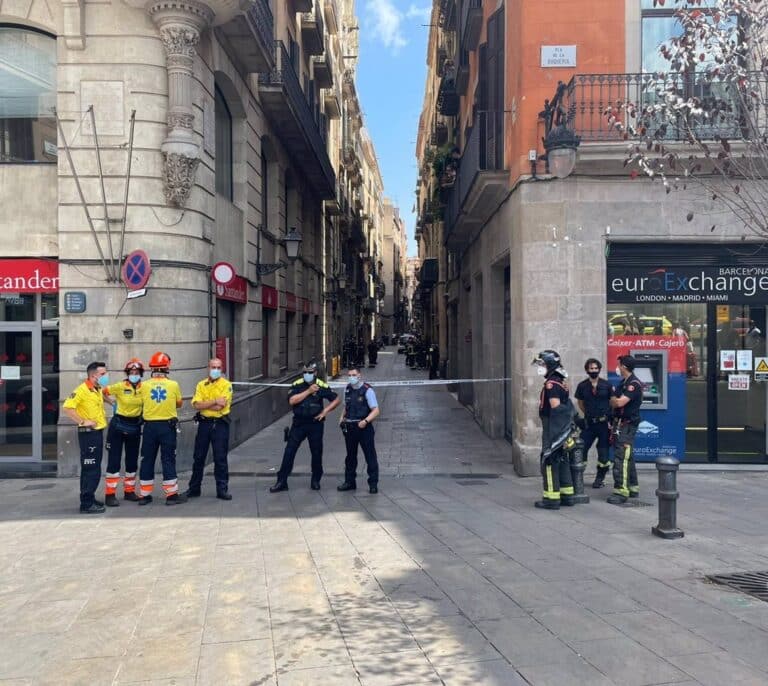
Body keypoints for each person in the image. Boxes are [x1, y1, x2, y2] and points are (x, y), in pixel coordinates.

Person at [270, 361, 340, 492]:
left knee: (317, 452)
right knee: (289, 451)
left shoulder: (321, 385)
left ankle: (315, 480)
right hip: (299, 424)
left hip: (315, 424)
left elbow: (336, 399)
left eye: (310, 372)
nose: (307, 374)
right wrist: (308, 391)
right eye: (305, 372)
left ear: (315, 373)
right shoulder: (297, 385)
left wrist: (325, 411)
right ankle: (282, 481)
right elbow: (292, 400)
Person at [137, 351, 186, 506]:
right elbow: (179, 403)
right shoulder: (173, 385)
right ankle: (171, 496)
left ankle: (145, 495)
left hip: (149, 427)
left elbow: (141, 402)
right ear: (166, 367)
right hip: (167, 427)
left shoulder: (143, 385)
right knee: (168, 459)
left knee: (147, 460)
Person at [62, 361, 110, 514]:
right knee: (91, 468)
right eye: (103, 374)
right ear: (93, 375)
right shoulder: (82, 390)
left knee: (93, 467)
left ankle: (89, 497)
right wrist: (83, 421)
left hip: (96, 432)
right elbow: (68, 407)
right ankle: (87, 504)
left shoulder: (96, 388)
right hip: (88, 434)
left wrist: (110, 401)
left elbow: (100, 397)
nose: (106, 376)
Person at [184, 358, 233, 500]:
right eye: (213, 367)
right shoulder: (201, 384)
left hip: (220, 424)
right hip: (204, 424)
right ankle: (194, 489)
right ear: (208, 368)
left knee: (220, 458)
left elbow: (221, 406)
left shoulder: (226, 385)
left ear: (222, 368)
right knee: (198, 457)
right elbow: (196, 405)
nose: (216, 370)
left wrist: (206, 404)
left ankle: (222, 489)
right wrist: (214, 401)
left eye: (218, 367)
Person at [532, 350, 574, 510]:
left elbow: (556, 407)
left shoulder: (552, 384)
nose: (540, 367)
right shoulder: (560, 381)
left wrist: (556, 434)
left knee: (549, 460)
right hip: (560, 427)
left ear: (549, 364)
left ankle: (551, 498)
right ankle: (566, 495)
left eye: (542, 364)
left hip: (553, 427)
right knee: (562, 460)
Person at [102, 358, 145, 506]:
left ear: (141, 373)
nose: (134, 374)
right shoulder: (120, 386)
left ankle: (129, 491)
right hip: (118, 426)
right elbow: (101, 392)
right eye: (131, 372)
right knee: (114, 461)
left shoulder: (144, 388)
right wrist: (111, 402)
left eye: (137, 372)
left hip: (135, 426)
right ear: (127, 373)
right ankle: (110, 495)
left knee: (132, 461)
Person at [337, 368, 380, 494]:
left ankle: (373, 484)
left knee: (370, 456)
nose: (351, 377)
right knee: (350, 457)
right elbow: (346, 406)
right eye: (349, 375)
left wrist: (365, 421)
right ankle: (350, 482)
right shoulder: (347, 389)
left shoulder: (367, 390)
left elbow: (376, 410)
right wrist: (341, 418)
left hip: (364, 427)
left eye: (354, 375)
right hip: (350, 427)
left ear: (359, 376)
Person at [608, 354, 643, 504]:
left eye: (619, 364)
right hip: (621, 423)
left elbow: (619, 403)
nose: (617, 367)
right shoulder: (623, 382)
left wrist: (613, 400)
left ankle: (621, 491)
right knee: (628, 456)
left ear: (624, 366)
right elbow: (613, 400)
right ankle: (633, 487)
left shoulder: (633, 384)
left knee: (621, 456)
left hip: (627, 425)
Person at [574, 358, 614, 489]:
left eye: (596, 368)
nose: (594, 371)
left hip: (603, 425)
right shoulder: (582, 386)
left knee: (603, 453)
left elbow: (612, 402)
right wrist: (589, 414)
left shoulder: (607, 385)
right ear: (587, 370)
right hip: (589, 424)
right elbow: (580, 403)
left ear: (599, 369)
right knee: (581, 449)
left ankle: (600, 479)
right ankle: (578, 477)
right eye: (591, 369)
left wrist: (609, 418)